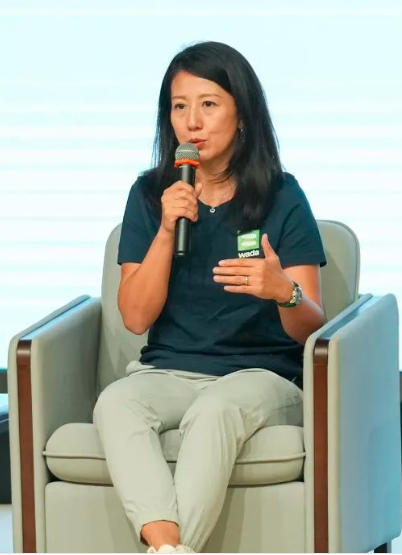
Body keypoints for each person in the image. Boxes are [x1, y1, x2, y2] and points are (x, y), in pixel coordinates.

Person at [93, 41, 327, 553]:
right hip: (169, 372)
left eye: (209, 104)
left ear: (241, 115)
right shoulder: (150, 195)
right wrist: (165, 230)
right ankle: (169, 548)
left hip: (262, 376)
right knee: (116, 403)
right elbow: (135, 317)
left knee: (216, 409)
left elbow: (314, 328)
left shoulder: (282, 195)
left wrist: (283, 292)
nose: (192, 121)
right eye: (180, 106)